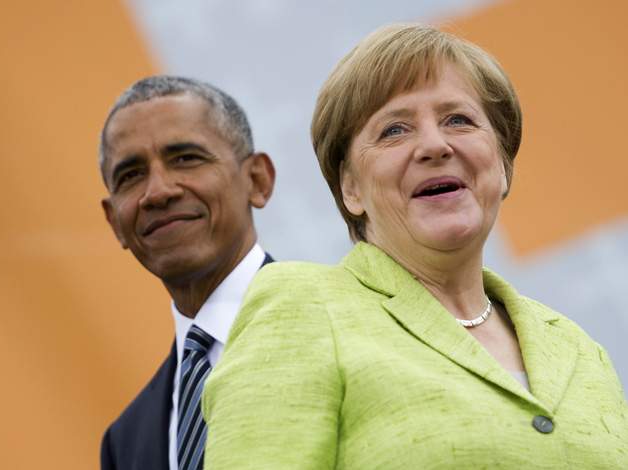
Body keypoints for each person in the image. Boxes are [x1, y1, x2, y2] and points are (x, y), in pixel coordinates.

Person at [202, 24, 628, 468]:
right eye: (394, 130)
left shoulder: (578, 348)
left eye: (458, 120)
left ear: (501, 165)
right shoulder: (302, 305)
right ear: (351, 189)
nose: (434, 145)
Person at [98, 75, 276, 470]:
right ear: (114, 223)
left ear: (257, 180)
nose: (158, 192)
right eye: (131, 175)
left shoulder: (348, 325)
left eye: (186, 158)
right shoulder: (124, 443)